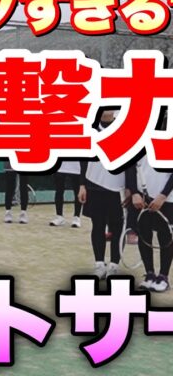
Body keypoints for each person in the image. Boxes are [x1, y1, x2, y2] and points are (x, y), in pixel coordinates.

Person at [78, 109, 126, 279]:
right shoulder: (90, 129)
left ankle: (114, 265)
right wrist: (82, 184)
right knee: (97, 225)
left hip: (118, 187)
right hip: (94, 185)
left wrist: (130, 188)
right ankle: (99, 264)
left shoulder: (124, 128)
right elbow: (84, 159)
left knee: (118, 227)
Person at [127, 160, 173, 292]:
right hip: (141, 197)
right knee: (144, 234)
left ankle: (163, 277)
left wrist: (163, 196)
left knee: (165, 236)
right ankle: (150, 274)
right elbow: (130, 166)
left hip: (167, 198)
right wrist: (134, 192)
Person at [49, 161, 82, 228]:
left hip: (76, 167)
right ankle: (59, 216)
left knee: (77, 191)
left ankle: (76, 217)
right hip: (60, 167)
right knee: (59, 191)